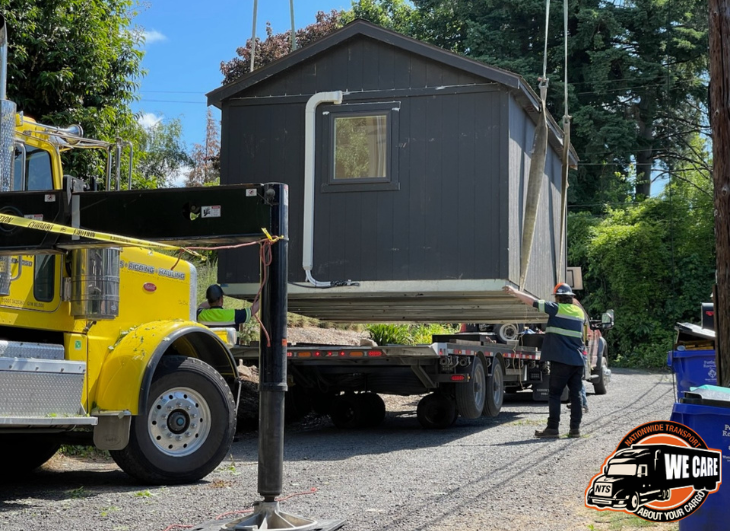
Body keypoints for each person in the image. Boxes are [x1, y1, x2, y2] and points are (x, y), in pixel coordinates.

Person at [502, 282, 587, 438]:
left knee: (555, 394)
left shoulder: (556, 309)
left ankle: (552, 429)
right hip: (577, 360)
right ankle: (575, 430)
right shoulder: (579, 313)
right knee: (576, 395)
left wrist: (514, 292)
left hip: (561, 360)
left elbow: (533, 301)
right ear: (571, 298)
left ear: (558, 298)